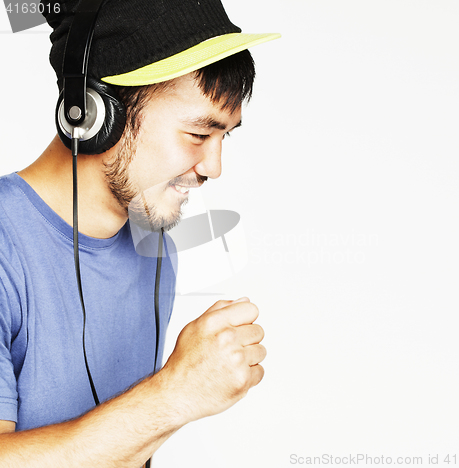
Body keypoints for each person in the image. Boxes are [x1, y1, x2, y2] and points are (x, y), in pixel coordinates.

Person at [0, 0, 279, 466]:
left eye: (223, 136)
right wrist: (175, 393)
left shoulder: (155, 251)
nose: (214, 167)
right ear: (89, 115)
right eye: (197, 135)